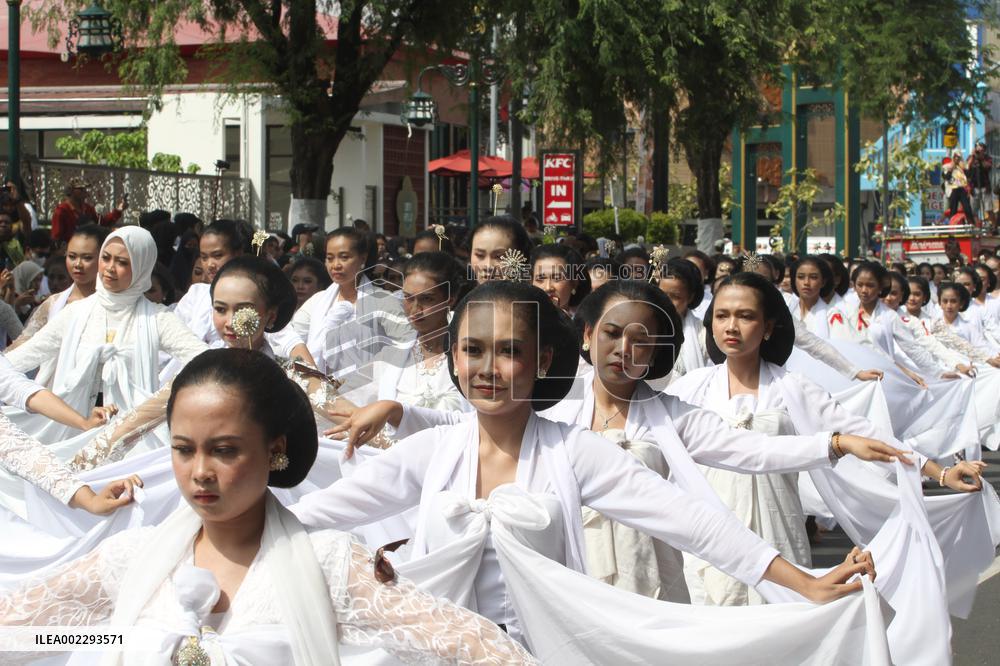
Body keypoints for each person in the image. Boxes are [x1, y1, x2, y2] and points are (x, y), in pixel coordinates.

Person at [291, 281, 887, 656]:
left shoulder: (572, 450)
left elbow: (694, 523)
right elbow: (307, 518)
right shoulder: (433, 454)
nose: (489, 368)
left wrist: (801, 582)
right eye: (473, 350)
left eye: (509, 350)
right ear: (453, 357)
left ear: (543, 358)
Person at [0, 348, 537, 665]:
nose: (200, 472)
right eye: (184, 450)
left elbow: (473, 643)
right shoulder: (132, 561)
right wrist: (113, 638)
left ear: (274, 448)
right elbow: (29, 629)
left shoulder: (329, 564)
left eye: (225, 450)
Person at [3, 227, 208, 443]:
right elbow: (21, 359)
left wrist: (163, 399)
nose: (110, 268)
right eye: (106, 258)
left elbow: (204, 361)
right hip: (70, 432)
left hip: (131, 438)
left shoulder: (156, 318)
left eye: (122, 262)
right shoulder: (76, 313)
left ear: (141, 266)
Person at [290, 227, 412, 377]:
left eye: (344, 257)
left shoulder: (384, 302)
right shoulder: (318, 302)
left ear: (362, 258)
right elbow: (294, 339)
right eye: (330, 258)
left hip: (370, 392)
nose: (336, 265)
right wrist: (315, 376)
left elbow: (405, 347)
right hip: (320, 390)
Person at [50, 179, 126, 243]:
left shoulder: (87, 208)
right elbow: (56, 238)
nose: (85, 192)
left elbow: (102, 223)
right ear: (71, 191)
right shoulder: (61, 211)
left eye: (85, 189)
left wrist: (118, 210)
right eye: (81, 189)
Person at [467, 216, 533, 284]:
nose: (488, 266)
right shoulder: (462, 292)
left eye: (499, 257)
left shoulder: (535, 293)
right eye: (479, 255)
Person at [530, 244, 591, 315]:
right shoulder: (519, 320)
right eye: (540, 279)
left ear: (574, 283)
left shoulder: (585, 322)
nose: (548, 288)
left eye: (557, 278)